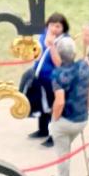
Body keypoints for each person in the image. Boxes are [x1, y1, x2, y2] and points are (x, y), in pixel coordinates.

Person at [45, 37, 89, 176]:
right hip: (82, 119)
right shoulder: (84, 66)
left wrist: (53, 120)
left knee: (62, 154)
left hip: (66, 121)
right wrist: (87, 108)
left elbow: (60, 102)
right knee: (65, 150)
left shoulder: (58, 75)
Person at [24, 13, 69, 146]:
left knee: (54, 108)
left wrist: (52, 46)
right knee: (43, 106)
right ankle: (43, 130)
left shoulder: (64, 41)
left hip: (55, 80)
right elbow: (36, 54)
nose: (54, 29)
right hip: (41, 78)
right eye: (51, 25)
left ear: (63, 28)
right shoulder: (44, 35)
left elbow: (59, 63)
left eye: (57, 26)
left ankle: (54, 136)